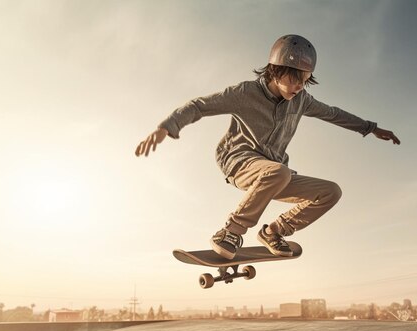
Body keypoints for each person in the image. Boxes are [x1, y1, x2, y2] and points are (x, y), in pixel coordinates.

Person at [135, 34, 400, 260]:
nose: (298, 87)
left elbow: (333, 113)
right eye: (293, 79)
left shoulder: (302, 101)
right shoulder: (244, 93)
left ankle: (274, 231)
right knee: (279, 172)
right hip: (239, 162)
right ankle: (231, 231)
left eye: (304, 80)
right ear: (275, 70)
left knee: (330, 191)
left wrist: (371, 128)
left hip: (274, 172)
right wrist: (167, 127)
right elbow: (199, 106)